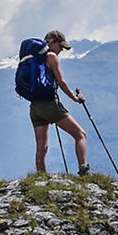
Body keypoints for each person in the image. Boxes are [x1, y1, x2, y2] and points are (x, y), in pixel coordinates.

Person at [30, 30, 89, 175]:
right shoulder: (51, 57)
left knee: (41, 148)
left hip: (35, 106)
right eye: (61, 46)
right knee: (80, 134)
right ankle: (84, 170)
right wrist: (75, 98)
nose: (62, 50)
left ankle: (41, 177)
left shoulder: (33, 59)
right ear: (52, 42)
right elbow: (61, 82)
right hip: (49, 105)